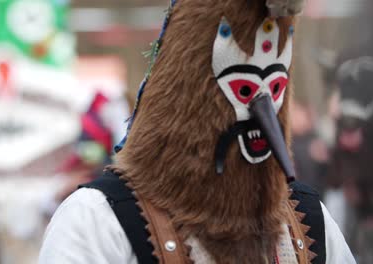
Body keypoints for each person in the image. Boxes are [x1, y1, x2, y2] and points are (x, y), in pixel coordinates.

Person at [39, 1, 355, 263]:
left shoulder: (310, 221)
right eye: (244, 89)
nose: (263, 111)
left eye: (275, 87)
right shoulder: (97, 220)